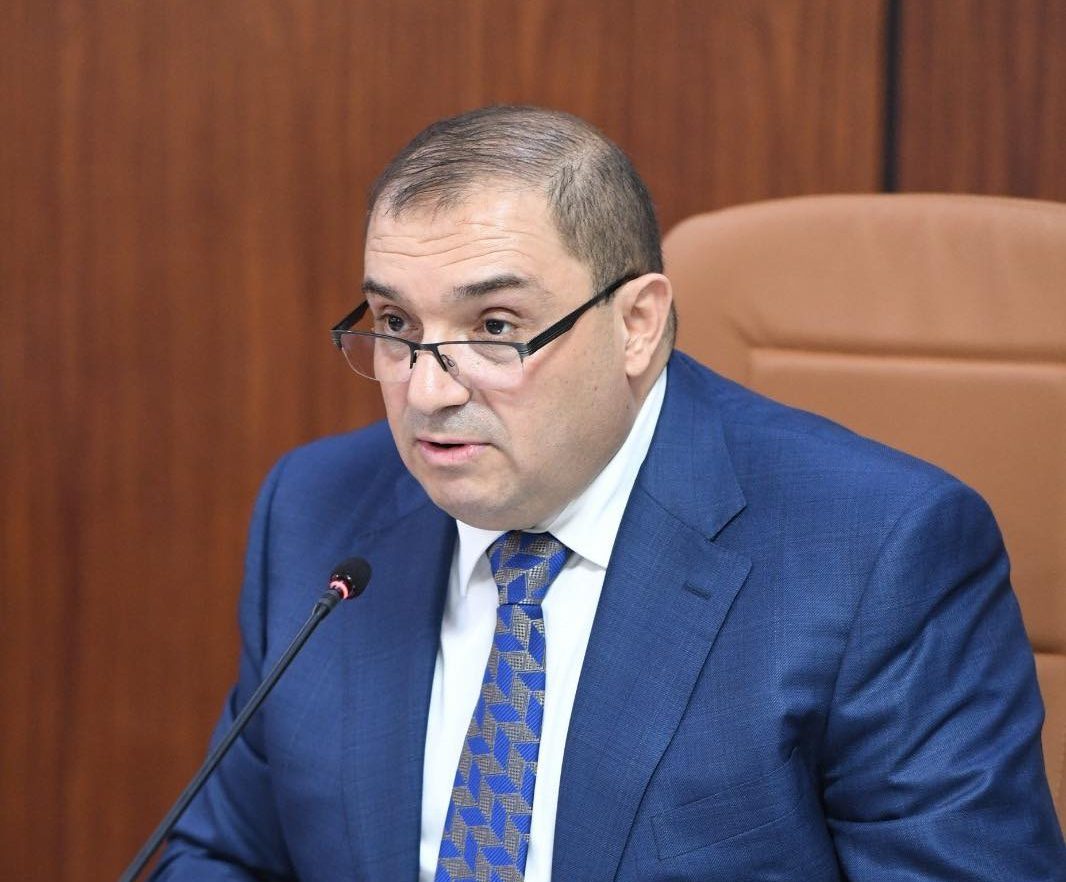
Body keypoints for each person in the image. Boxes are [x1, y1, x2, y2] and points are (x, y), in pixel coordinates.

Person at [152, 106, 1065, 881]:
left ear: (637, 324)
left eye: (494, 325)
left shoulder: (880, 554)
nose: (426, 389)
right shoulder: (317, 510)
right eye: (396, 323)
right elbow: (228, 854)